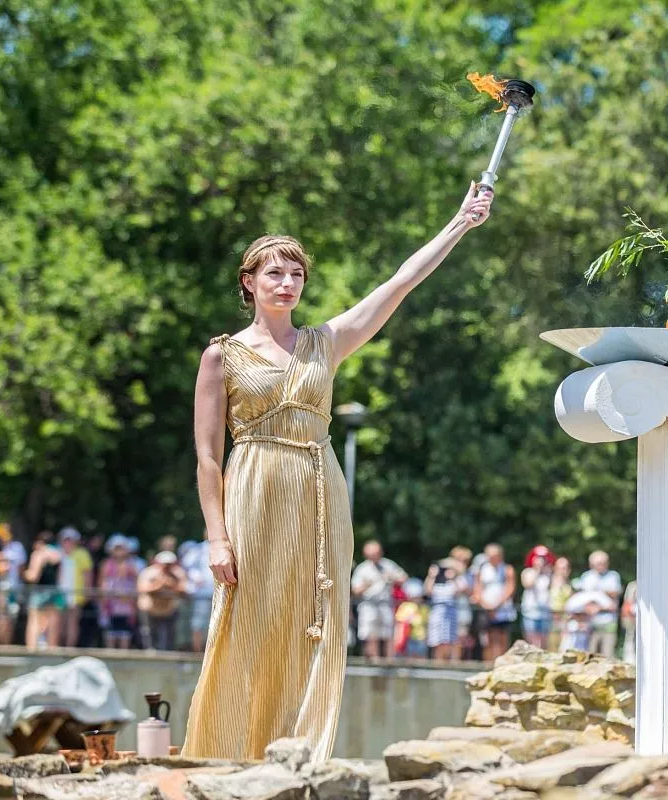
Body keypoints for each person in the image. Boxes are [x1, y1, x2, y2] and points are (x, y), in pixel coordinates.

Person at [184, 184, 493, 763]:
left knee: (313, 620)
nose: (287, 283)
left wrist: (459, 223)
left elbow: (399, 283)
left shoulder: (324, 343)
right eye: (275, 273)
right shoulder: (221, 356)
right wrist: (216, 536)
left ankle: (297, 755)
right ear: (248, 281)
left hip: (318, 489)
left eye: (296, 274)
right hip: (254, 489)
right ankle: (224, 756)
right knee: (247, 620)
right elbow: (206, 457)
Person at [351, 540, 407, 658]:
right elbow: (355, 590)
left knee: (388, 634)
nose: (374, 556)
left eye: (376, 553)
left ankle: (389, 661)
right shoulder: (362, 568)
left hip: (385, 603)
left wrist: (392, 577)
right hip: (369, 605)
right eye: (371, 554)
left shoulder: (388, 565)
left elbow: (403, 578)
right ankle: (374, 661)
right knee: (370, 635)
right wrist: (367, 584)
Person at [473, 543, 516, 661]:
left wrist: (497, 606)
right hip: (486, 610)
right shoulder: (482, 570)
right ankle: (488, 665)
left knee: (502, 639)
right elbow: (477, 590)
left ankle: (502, 665)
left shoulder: (507, 569)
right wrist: (487, 606)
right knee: (487, 641)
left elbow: (510, 589)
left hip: (502, 611)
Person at [137, 551, 187, 651]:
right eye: (164, 563)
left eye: (169, 564)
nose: (167, 566)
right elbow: (142, 589)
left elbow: (184, 590)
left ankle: (169, 651)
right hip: (150, 608)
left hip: (170, 609)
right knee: (149, 631)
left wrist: (171, 585)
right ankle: (150, 651)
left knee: (170, 633)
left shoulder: (178, 573)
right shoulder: (148, 573)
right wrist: (159, 585)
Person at [23, 531, 64, 649]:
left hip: (39, 590)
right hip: (53, 590)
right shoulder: (58, 554)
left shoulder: (39, 554)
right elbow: (60, 576)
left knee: (34, 620)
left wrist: (24, 574)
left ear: (40, 542)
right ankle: (52, 647)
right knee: (52, 621)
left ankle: (31, 647)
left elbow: (33, 576)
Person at [576, 551, 621, 657]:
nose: (601, 566)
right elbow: (582, 599)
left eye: (603, 563)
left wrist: (597, 598)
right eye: (598, 563)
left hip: (608, 623)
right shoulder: (586, 577)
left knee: (608, 656)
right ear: (591, 564)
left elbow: (614, 597)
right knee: (590, 656)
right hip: (590, 625)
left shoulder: (613, 576)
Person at [98, 534, 139, 650]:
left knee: (125, 634)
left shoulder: (131, 565)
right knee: (110, 633)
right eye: (117, 548)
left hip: (126, 606)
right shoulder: (106, 564)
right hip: (110, 605)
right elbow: (102, 583)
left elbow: (135, 582)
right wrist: (103, 600)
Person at [57, 527, 93, 648]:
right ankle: (59, 646)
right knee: (60, 622)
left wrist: (86, 591)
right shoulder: (59, 553)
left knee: (72, 622)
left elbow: (87, 574)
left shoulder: (82, 554)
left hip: (75, 594)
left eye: (70, 540)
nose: (68, 543)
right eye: (66, 540)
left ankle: (69, 648)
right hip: (60, 594)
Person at [424, 557, 466, 661]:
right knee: (436, 638)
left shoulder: (455, 580)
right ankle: (438, 661)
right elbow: (428, 591)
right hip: (437, 611)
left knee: (449, 638)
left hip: (450, 612)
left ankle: (449, 661)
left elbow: (460, 590)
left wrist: (453, 577)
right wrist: (431, 576)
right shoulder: (435, 580)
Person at [519, 545, 555, 650]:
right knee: (531, 643)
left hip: (545, 613)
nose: (541, 560)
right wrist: (537, 570)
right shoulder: (528, 572)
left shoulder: (549, 574)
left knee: (543, 644)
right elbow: (528, 584)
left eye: (543, 558)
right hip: (530, 612)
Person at [181, 539, 214, 653]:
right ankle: (198, 652)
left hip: (220, 592)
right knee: (198, 624)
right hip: (202, 594)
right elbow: (187, 566)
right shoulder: (198, 549)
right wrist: (196, 578)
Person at [393, 578, 429, 658]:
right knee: (408, 657)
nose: (418, 599)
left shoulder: (424, 608)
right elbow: (400, 621)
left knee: (420, 657)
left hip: (421, 638)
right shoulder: (405, 606)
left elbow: (426, 623)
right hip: (408, 638)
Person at [547, 557, 574, 652]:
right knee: (551, 649)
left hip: (565, 621)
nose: (563, 570)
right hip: (550, 620)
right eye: (561, 568)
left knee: (564, 648)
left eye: (565, 568)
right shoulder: (548, 582)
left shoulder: (569, 584)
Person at [620, 580, 638, 664]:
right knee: (630, 641)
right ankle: (630, 663)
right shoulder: (632, 585)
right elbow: (627, 605)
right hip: (632, 620)